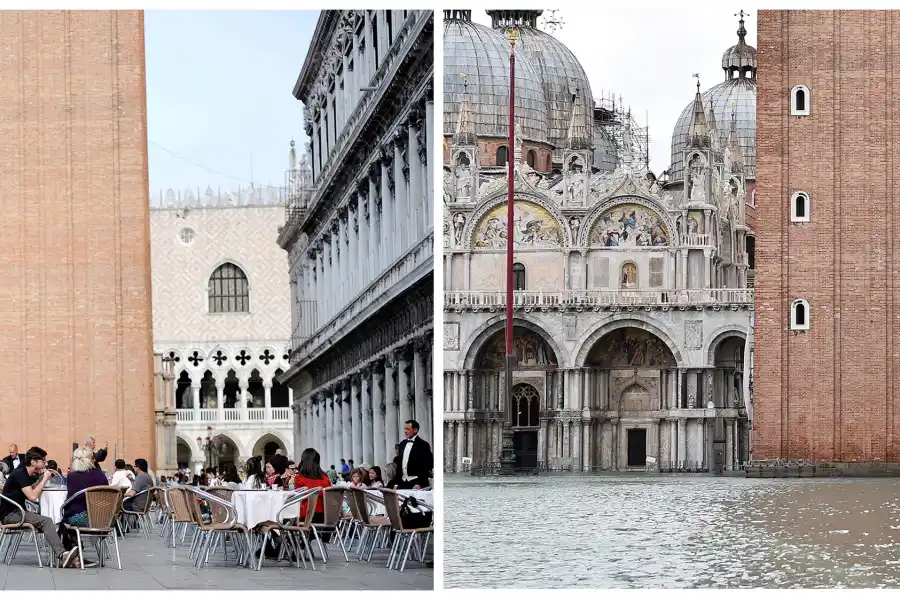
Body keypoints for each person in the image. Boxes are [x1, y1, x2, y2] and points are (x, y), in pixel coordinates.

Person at [0, 446, 79, 567]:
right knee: (47, 521)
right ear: (33, 462)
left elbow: (30, 489)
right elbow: (32, 496)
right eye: (43, 461)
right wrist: (44, 479)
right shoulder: (20, 474)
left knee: (57, 521)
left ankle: (68, 555)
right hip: (10, 514)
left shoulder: (25, 472)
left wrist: (42, 478)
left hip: (18, 511)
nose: (46, 463)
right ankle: (62, 555)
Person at [60, 447, 109, 560]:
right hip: (103, 519)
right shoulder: (101, 475)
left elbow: (71, 501)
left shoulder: (72, 477)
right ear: (91, 460)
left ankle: (73, 554)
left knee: (64, 522)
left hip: (81, 519)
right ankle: (75, 554)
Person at [291, 449, 331, 525]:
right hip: (324, 516)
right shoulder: (325, 478)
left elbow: (297, 498)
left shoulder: (299, 478)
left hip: (305, 516)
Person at [389, 420, 433, 489]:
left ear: (415, 430)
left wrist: (420, 482)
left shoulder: (423, 445)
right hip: (402, 481)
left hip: (417, 481)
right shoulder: (402, 444)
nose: (405, 431)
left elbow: (428, 465)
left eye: (408, 429)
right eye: (404, 429)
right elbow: (399, 465)